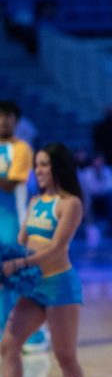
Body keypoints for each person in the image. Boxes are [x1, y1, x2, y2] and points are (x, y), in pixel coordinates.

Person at [0, 143, 84, 377]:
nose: (38, 170)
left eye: (45, 164)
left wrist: (18, 264)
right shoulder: (35, 202)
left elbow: (56, 249)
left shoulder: (70, 204)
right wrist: (5, 269)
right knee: (8, 345)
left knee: (65, 357)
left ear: (59, 168)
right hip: (34, 287)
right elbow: (22, 241)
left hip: (60, 287)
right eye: (37, 164)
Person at [0, 100, 33, 334]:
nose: (3, 121)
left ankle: (25, 333)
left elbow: (9, 185)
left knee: (12, 275)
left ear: (16, 121)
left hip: (11, 219)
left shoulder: (21, 148)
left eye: (8, 117)